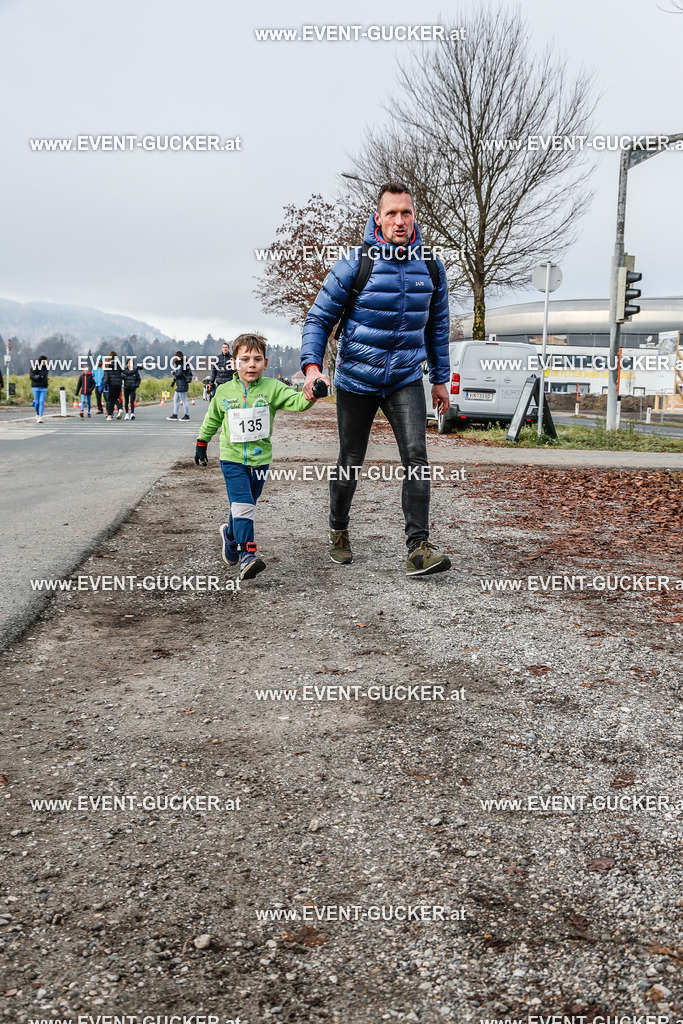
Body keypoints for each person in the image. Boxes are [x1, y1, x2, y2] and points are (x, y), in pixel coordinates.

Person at [301, 181, 452, 577]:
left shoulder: (432, 266)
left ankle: (418, 547)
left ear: (414, 216)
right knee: (351, 459)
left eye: (406, 213)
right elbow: (318, 318)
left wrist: (440, 379)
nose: (399, 221)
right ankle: (338, 529)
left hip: (404, 378)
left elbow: (438, 326)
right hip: (356, 377)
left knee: (416, 457)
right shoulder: (355, 263)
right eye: (392, 213)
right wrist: (312, 367)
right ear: (377, 217)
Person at [194, 333, 318, 581]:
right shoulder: (224, 391)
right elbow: (212, 419)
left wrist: (311, 394)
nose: (251, 364)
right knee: (243, 504)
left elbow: (295, 401)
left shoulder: (272, 388)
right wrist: (202, 442)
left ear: (266, 362)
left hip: (260, 460)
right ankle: (247, 555)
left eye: (257, 359)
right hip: (232, 458)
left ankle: (230, 535)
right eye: (245, 359)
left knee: (245, 504)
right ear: (235, 363)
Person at [168, 350, 193, 420]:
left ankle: (186, 415)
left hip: (182, 383)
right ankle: (175, 414)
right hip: (180, 384)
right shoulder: (184, 363)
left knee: (184, 400)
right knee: (175, 399)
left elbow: (179, 374)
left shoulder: (181, 364)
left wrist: (173, 373)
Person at [102, 351, 124, 420]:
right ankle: (120, 409)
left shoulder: (107, 364)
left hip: (111, 384)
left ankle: (109, 415)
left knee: (110, 400)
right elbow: (123, 373)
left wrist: (105, 385)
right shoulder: (118, 364)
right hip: (118, 384)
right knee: (117, 398)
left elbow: (106, 376)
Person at [29, 355, 49, 423]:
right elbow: (31, 376)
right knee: (37, 402)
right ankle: (37, 413)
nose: (47, 362)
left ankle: (40, 417)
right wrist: (39, 377)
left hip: (43, 387)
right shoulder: (36, 366)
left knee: (41, 402)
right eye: (46, 360)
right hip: (36, 386)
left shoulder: (46, 368)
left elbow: (45, 376)